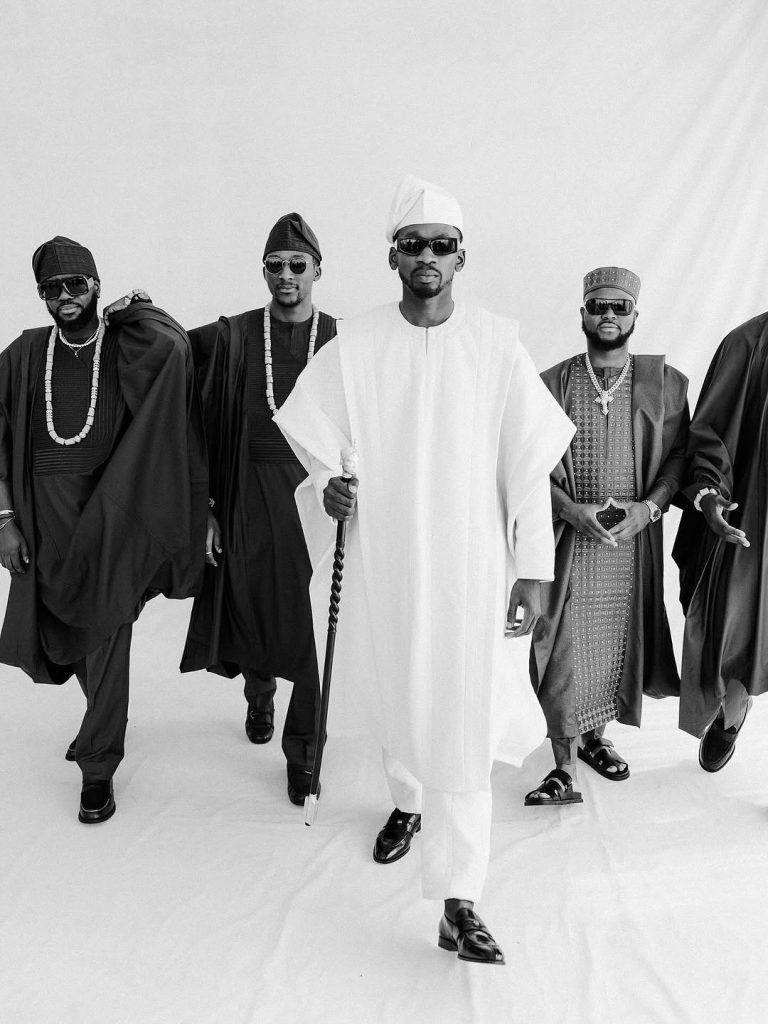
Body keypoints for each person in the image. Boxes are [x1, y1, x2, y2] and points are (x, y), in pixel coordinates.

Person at [274, 175, 574, 964]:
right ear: (393, 257)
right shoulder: (358, 346)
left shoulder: (497, 345)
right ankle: (407, 803)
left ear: (461, 257)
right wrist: (327, 486)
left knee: (463, 719)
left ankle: (459, 899)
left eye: (442, 245)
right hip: (390, 561)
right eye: (413, 245)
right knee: (398, 688)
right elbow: (310, 433)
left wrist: (534, 567)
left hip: (477, 568)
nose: (427, 256)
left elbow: (529, 463)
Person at [0, 235, 207, 823]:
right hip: (43, 521)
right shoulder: (25, 352)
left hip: (112, 518)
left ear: (95, 284)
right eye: (51, 288)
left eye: (76, 284)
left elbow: (176, 352)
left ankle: (98, 765)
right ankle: (100, 718)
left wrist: (138, 310)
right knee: (68, 633)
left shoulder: (122, 343)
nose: (64, 296)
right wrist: (5, 520)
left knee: (108, 629)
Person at [180, 214, 336, 805]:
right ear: (263, 271)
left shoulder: (343, 338)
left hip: (317, 501)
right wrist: (139, 315)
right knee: (251, 606)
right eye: (275, 265)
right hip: (245, 494)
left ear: (317, 270)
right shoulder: (235, 335)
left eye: (298, 265)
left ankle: (305, 752)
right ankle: (259, 693)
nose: (286, 275)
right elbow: (171, 353)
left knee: (314, 622)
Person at [527, 267, 688, 804]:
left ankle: (595, 738)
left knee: (616, 644)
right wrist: (570, 511)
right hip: (568, 544)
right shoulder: (550, 384)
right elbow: (526, 467)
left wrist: (650, 508)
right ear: (583, 313)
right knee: (561, 646)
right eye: (599, 305)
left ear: (636, 315)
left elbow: (680, 459)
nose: (609, 315)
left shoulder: (664, 383)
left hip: (631, 549)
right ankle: (562, 767)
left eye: (620, 306)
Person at [672, 311, 766, 771]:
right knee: (741, 624)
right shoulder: (747, 344)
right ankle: (734, 704)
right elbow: (712, 436)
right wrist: (709, 494)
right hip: (757, 513)